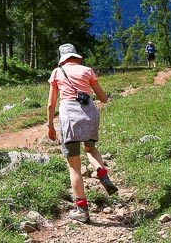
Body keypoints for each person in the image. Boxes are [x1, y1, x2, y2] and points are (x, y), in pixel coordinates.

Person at [46, 43, 118, 224]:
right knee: (90, 149)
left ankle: (82, 210)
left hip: (69, 117)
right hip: (89, 114)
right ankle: (101, 171)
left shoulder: (57, 72)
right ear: (75, 56)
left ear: (62, 58)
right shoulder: (87, 70)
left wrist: (50, 126)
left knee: (74, 167)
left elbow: (51, 104)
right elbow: (103, 98)